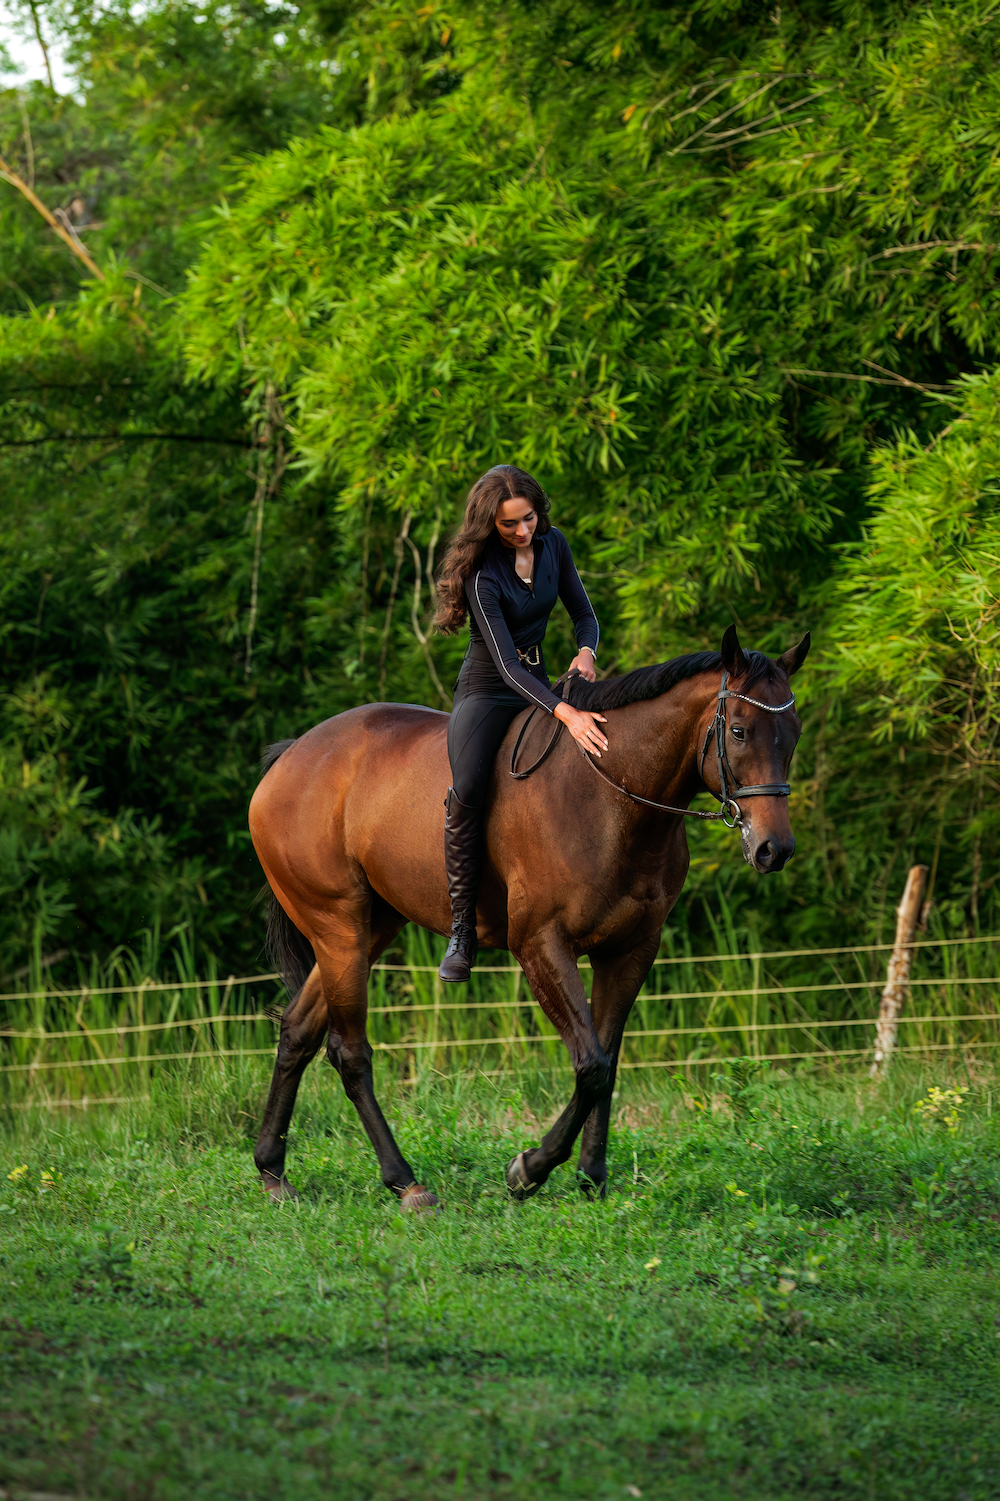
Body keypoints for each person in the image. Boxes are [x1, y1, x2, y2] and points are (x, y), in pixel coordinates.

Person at [432, 464, 610, 983]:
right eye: (509, 525)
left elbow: (584, 613)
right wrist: (567, 713)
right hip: (489, 692)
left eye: (528, 519)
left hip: (544, 684)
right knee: (466, 790)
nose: (523, 532)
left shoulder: (555, 545)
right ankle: (462, 928)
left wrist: (585, 651)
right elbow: (508, 666)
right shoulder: (481, 573)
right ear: (490, 524)